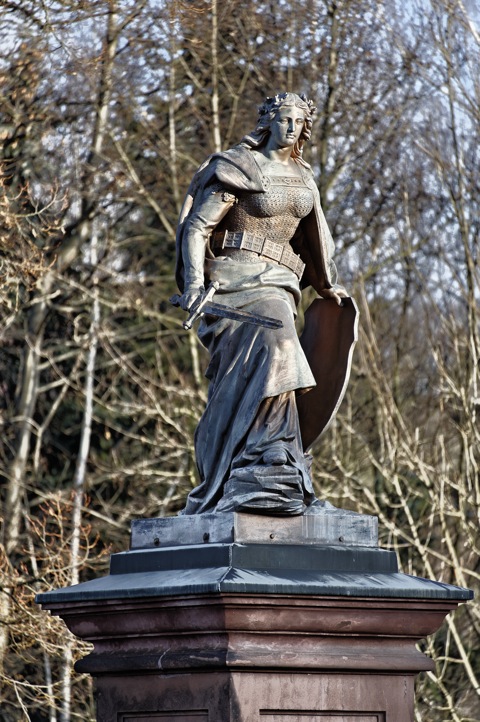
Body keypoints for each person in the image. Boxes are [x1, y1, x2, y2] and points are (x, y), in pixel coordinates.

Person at [175, 92, 356, 515]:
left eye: (298, 121)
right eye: (284, 119)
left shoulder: (303, 177)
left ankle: (279, 460)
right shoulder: (240, 166)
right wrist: (194, 283)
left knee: (277, 343)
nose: (291, 127)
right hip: (233, 280)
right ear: (268, 122)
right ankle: (263, 455)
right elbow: (198, 227)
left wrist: (326, 287)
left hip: (280, 282)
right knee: (279, 344)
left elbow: (312, 239)